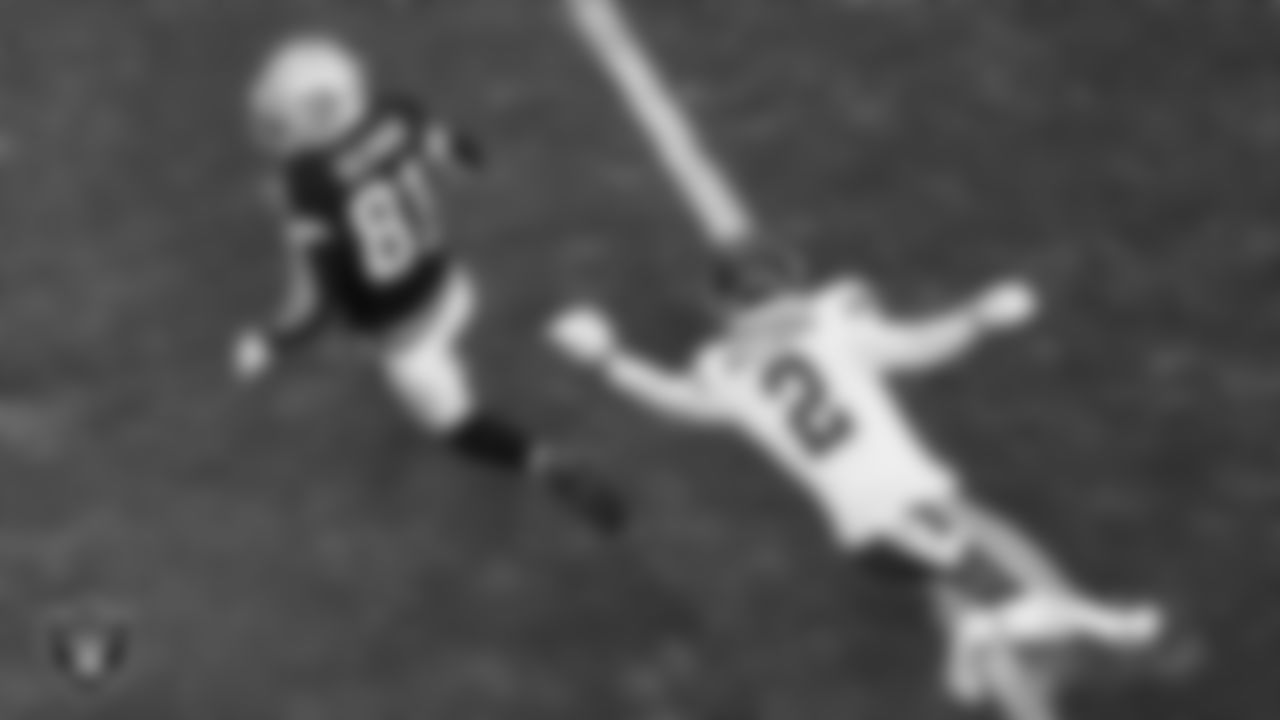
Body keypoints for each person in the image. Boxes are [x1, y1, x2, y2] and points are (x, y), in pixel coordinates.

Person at [546, 248, 1166, 720]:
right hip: (896, 511)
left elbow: (680, 402)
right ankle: (1099, 622)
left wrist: (608, 358)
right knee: (1022, 603)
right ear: (789, 286)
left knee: (978, 593)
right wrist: (981, 316)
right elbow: (923, 346)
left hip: (869, 530)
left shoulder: (728, 369)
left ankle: (972, 652)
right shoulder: (832, 325)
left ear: (727, 308)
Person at [232, 33, 625, 535]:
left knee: (458, 428)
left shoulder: (306, 185)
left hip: (406, 341)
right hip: (452, 287)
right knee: (455, 322)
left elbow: (316, 303)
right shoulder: (396, 113)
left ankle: (545, 463)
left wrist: (269, 343)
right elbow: (464, 155)